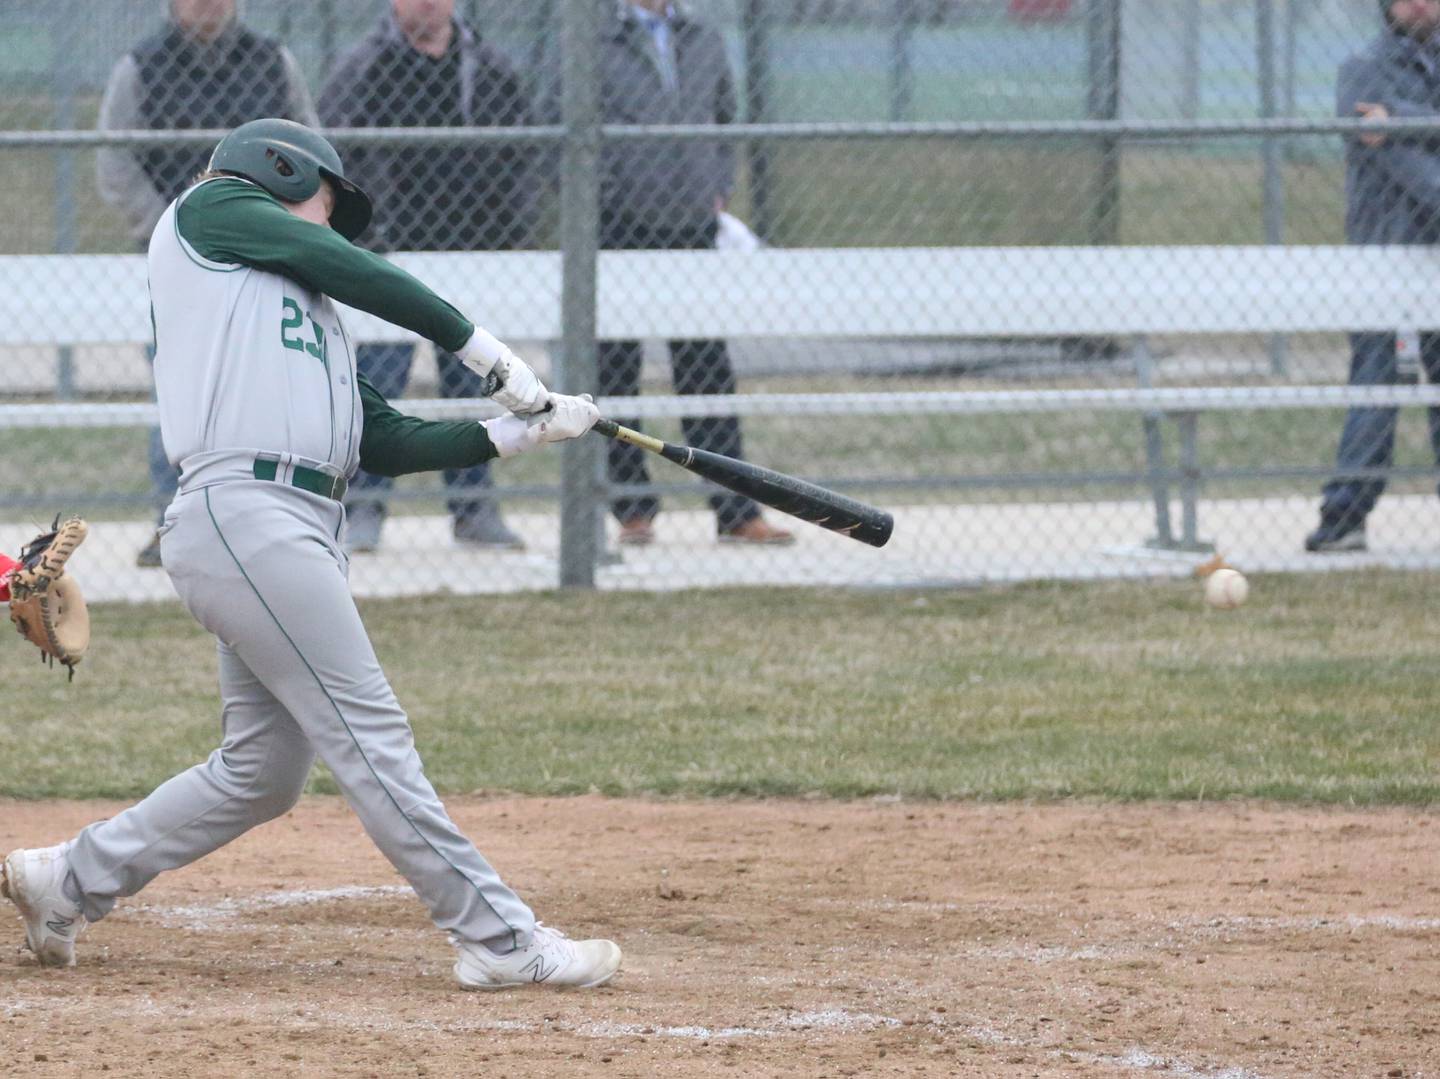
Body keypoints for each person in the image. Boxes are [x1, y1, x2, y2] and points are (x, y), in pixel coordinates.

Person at [0, 119, 621, 991]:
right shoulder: (209, 213)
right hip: (245, 511)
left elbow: (388, 439)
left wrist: (521, 433)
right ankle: (499, 939)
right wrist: (482, 352)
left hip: (293, 528)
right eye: (327, 207)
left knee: (262, 770)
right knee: (370, 732)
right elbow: (356, 270)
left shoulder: (302, 308)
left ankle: (67, 878)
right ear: (279, 172)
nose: (329, 231)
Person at [545, 0, 794, 547]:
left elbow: (724, 117)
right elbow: (558, 132)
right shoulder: (593, 38)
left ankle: (734, 511)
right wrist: (605, 204)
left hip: (692, 230)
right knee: (614, 371)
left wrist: (717, 186)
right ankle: (632, 509)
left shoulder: (700, 37)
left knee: (707, 368)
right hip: (617, 233)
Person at [97, 0, 320, 569]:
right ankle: (174, 522)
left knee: (268, 389)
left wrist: (278, 230)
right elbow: (116, 166)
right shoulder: (141, 67)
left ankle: (269, 521)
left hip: (265, 258)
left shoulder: (272, 62)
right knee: (181, 390)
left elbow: (309, 153)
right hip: (179, 268)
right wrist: (174, 235)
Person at [319, 0, 536, 553]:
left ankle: (473, 509)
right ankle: (362, 508)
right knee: (378, 387)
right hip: (390, 256)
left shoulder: (487, 65)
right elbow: (336, 157)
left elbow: (526, 156)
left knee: (474, 380)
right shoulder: (363, 67)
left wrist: (511, 228)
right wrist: (362, 233)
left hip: (471, 254)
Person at [1307, 0, 1440, 553]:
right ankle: (1344, 517)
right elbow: (1407, 171)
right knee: (1375, 385)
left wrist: (1402, 124)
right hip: (1384, 256)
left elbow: (1400, 143)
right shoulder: (1362, 68)